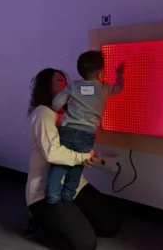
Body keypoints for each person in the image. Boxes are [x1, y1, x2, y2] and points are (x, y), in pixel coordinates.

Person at [25, 68, 121, 250]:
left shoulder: (70, 115)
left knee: (111, 225)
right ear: (46, 86)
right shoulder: (43, 113)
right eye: (59, 80)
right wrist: (83, 156)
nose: (65, 84)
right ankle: (40, 224)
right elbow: (53, 153)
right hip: (45, 191)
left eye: (65, 80)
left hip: (73, 185)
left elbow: (77, 149)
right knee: (86, 244)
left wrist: (89, 158)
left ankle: (69, 218)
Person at [46, 51, 124, 204]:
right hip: (86, 135)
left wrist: (55, 110)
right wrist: (119, 74)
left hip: (67, 131)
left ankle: (52, 196)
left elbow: (56, 103)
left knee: (60, 164)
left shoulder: (75, 86)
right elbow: (119, 87)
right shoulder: (104, 87)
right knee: (77, 166)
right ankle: (68, 197)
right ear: (101, 73)